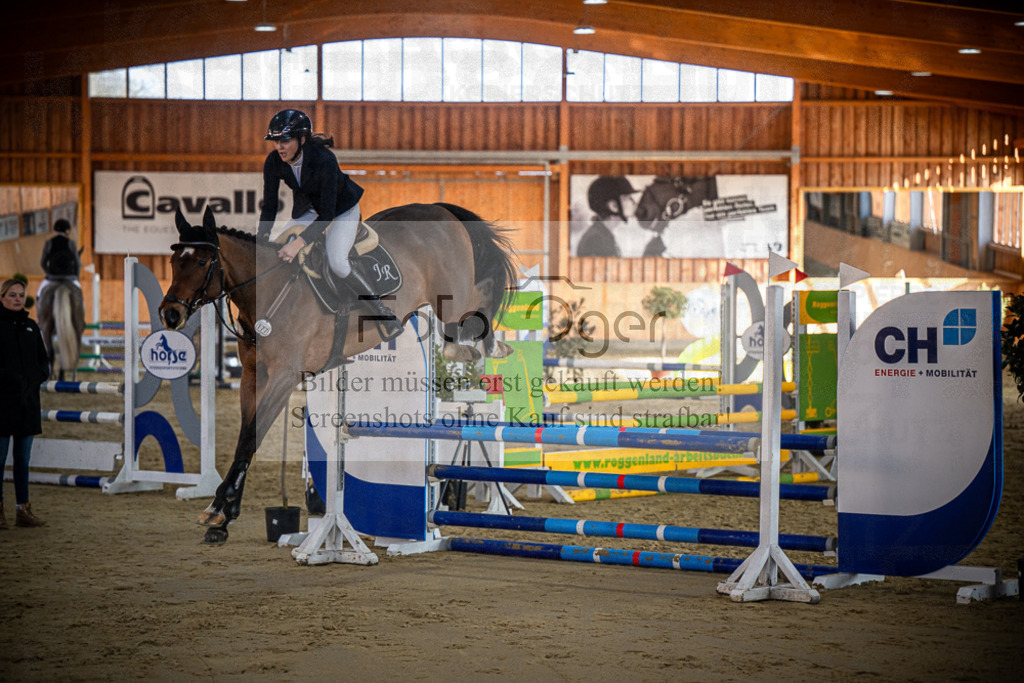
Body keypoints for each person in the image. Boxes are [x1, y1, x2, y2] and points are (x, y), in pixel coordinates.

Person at [257, 109, 402, 339]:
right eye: (276, 141)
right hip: (309, 209)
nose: (279, 147)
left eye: (284, 140)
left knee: (338, 262)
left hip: (340, 210)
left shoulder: (324, 160)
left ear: (302, 139)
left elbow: (326, 214)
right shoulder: (273, 162)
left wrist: (300, 243)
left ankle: (383, 313)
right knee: (277, 253)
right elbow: (270, 206)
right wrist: (261, 239)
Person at [0, 278, 49, 529]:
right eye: (12, 295)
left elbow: (44, 361)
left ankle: (23, 510)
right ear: (2, 297)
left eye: (20, 295)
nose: (17, 298)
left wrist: (38, 376)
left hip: (28, 403)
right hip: (2, 403)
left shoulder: (32, 326)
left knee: (22, 459)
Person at [36, 218, 85, 369]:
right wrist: (75, 277)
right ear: (67, 231)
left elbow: (43, 262)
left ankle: (41, 319)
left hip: (51, 279)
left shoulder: (48, 243)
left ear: (55, 229)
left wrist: (49, 273)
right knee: (79, 296)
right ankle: (80, 320)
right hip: (70, 279)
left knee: (39, 295)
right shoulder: (71, 243)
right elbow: (78, 263)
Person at [576, 176, 646, 257]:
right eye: (628, 198)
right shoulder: (596, 241)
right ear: (614, 206)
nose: (634, 203)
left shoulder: (602, 234)